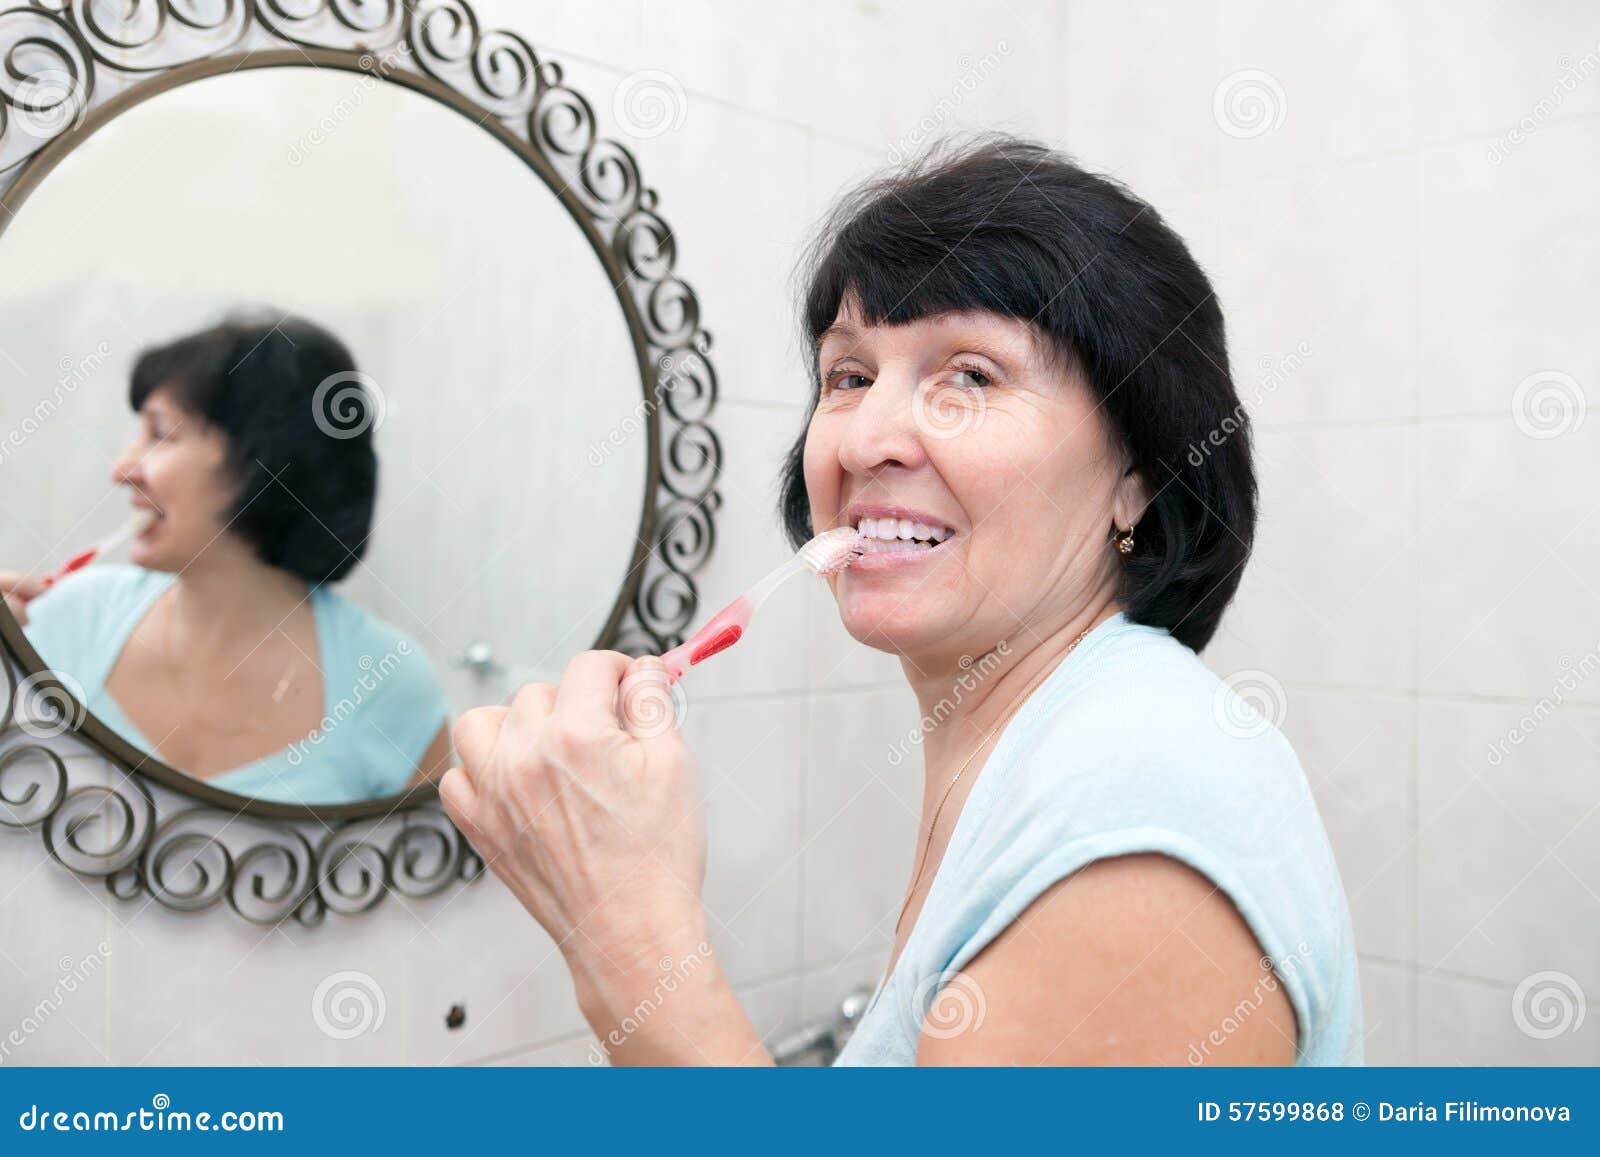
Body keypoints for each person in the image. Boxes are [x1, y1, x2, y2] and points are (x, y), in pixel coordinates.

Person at [438, 135, 1362, 1065]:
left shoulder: (1134, 809)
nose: (866, 437)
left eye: (971, 374)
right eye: (849, 376)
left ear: (1140, 476)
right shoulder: (1046, 752)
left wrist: (626, 936)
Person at [2, 314, 451, 806]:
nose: (122, 468)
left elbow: (422, 877)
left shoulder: (392, 685)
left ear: (264, 461)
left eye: (160, 434)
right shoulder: (67, 616)